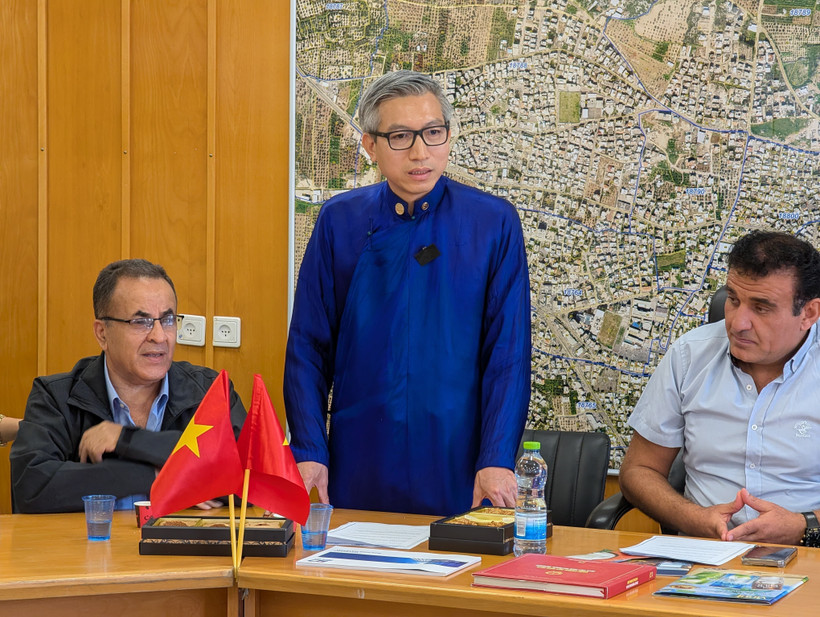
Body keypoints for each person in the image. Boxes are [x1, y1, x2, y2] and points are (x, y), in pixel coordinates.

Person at [284, 70, 531, 516]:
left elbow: (507, 356)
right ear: (370, 145)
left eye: (433, 132)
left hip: (459, 462)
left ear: (449, 135)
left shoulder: (493, 223)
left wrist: (496, 457)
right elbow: (308, 348)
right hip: (358, 458)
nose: (420, 152)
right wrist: (308, 449)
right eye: (400, 136)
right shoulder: (339, 221)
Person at [620, 230, 820, 546]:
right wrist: (695, 518)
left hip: (809, 553)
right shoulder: (690, 356)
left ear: (808, 313)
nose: (738, 323)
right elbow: (639, 470)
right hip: (705, 552)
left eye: (761, 307)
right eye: (733, 300)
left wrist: (803, 525)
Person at [10, 259, 246, 513]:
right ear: (102, 333)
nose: (159, 336)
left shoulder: (209, 391)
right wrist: (153, 475)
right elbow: (31, 487)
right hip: (93, 539)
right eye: (140, 322)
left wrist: (128, 440)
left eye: (167, 320)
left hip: (180, 539)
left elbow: (249, 474)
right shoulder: (55, 397)